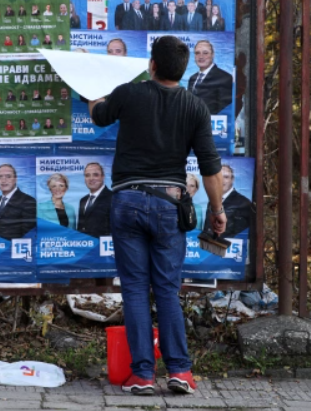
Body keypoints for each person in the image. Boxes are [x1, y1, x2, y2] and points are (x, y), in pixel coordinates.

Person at [89, 35, 225, 396]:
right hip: (169, 204)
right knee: (167, 289)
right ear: (183, 69)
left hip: (128, 201)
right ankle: (180, 372)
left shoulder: (129, 93)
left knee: (134, 289)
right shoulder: (196, 107)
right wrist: (217, 210)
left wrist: (89, 89)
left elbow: (99, 115)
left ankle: (143, 376)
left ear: (151, 65)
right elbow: (211, 167)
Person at [202, 164, 255, 248]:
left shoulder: (243, 203)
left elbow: (241, 235)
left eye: (226, 177)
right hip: (210, 251)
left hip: (228, 251)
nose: (222, 180)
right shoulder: (212, 200)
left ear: (232, 179)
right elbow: (207, 229)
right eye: (219, 177)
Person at [0, 164, 37, 241]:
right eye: (0, 177)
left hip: (14, 250)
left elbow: (28, 235)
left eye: (8, 176)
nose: (3, 180)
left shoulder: (28, 201)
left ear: (15, 179)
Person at [187, 40, 233, 114]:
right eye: (197, 53)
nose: (201, 56)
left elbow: (224, 110)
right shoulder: (192, 78)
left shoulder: (224, 77)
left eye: (205, 53)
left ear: (213, 54)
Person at [75, 162, 112, 237]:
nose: (91, 178)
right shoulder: (83, 200)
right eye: (87, 175)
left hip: (103, 246)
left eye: (95, 175)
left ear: (103, 177)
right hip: (85, 246)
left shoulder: (113, 198)